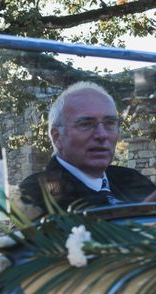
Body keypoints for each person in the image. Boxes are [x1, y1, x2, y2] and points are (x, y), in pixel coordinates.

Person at [19, 81, 155, 212]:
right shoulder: (37, 193)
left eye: (109, 123)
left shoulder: (132, 179)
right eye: (86, 124)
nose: (102, 135)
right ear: (57, 137)